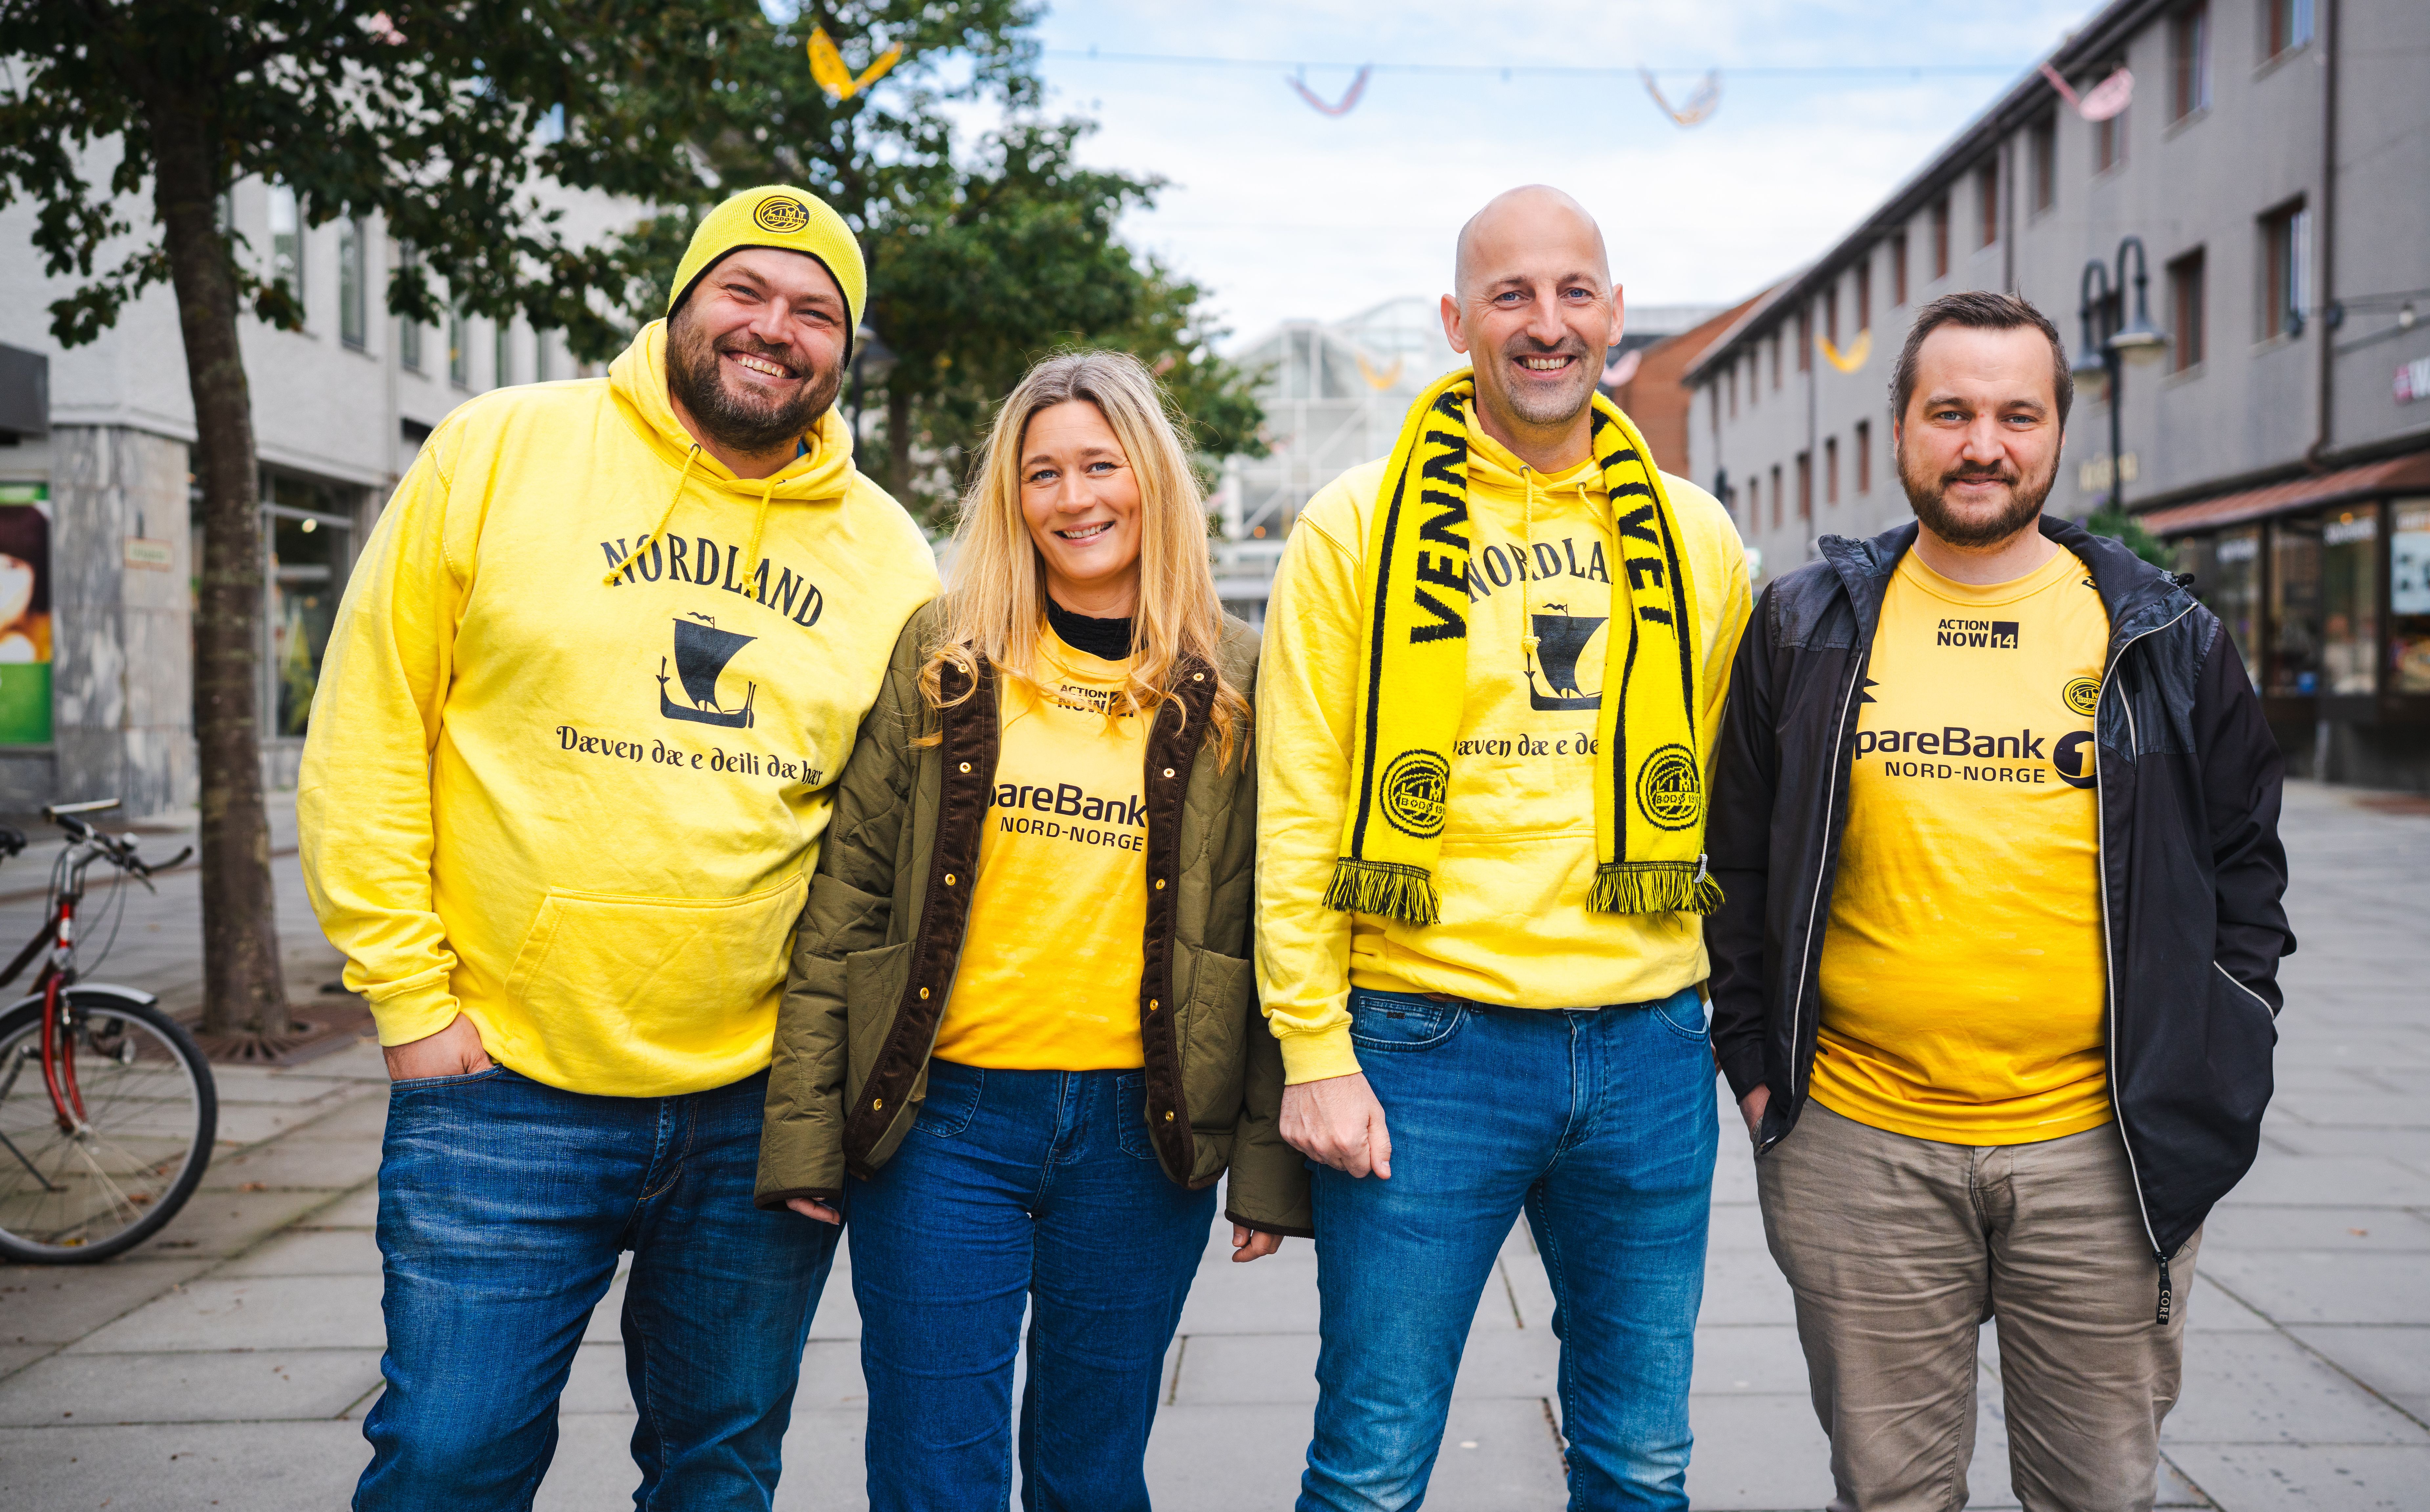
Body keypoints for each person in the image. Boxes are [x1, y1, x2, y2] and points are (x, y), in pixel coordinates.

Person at [300, 184, 941, 1511]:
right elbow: (370, 727)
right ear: (683, 300)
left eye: (814, 311)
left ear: (844, 347)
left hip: (758, 1108)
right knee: (448, 1461)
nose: (773, 328)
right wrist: (412, 1005)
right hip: (503, 1085)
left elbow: (891, 848)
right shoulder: (500, 449)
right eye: (744, 291)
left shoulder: (888, 554)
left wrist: (838, 1089)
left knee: (718, 1470)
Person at [1704, 289, 2291, 1512]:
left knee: (2097, 1495)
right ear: (1900, 430)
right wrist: (1755, 1063)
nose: (1984, 445)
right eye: (1952, 413)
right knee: (1890, 1497)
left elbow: (2247, 870)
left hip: (2106, 1153)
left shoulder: (2166, 636)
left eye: (2018, 416)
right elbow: (1738, 858)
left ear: (2058, 431)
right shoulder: (1804, 628)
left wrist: (2224, 1050)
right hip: (1857, 1143)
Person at [1257, 185, 1751, 1511]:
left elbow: (1725, 792)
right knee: (1369, 1466)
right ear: (1455, 319)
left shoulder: (1699, 539)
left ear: (1615, 313)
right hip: (1425, 1048)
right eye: (1510, 294)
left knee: (1642, 1460)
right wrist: (1312, 1052)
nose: (1546, 323)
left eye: (1573, 291)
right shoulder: (1353, 526)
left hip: (1650, 1047)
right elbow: (1297, 805)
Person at [755, 349, 1307, 1511]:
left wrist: (1266, 1168)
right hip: (942, 1126)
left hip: (1142, 1135)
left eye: (1101, 466)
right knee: (933, 1471)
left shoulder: (1238, 678)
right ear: (1012, 496)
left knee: (1091, 1473)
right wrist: (804, 1135)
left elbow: (1271, 925)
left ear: (1152, 477)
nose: (1073, 499)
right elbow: (850, 896)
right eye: (1042, 472)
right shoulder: (945, 654)